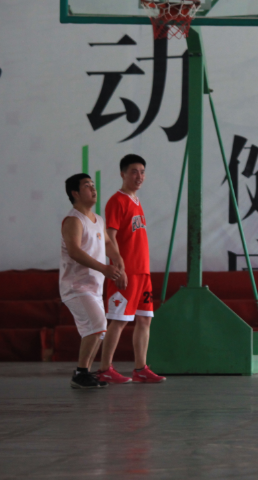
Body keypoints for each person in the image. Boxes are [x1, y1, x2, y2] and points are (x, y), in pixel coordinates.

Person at [97, 155, 166, 384]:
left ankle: (140, 369)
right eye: (134, 171)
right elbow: (110, 238)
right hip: (126, 273)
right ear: (123, 174)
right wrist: (119, 268)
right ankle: (105, 368)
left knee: (145, 320)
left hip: (143, 272)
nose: (139, 176)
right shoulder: (117, 201)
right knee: (118, 320)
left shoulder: (136, 201)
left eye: (142, 172)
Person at [60, 173, 126, 389]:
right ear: (75, 193)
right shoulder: (74, 220)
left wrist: (118, 260)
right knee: (97, 325)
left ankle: (84, 373)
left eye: (93, 185)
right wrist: (104, 268)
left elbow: (107, 243)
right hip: (76, 286)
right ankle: (80, 373)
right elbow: (74, 251)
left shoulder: (98, 219)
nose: (93, 189)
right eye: (87, 186)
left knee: (98, 330)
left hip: (94, 287)